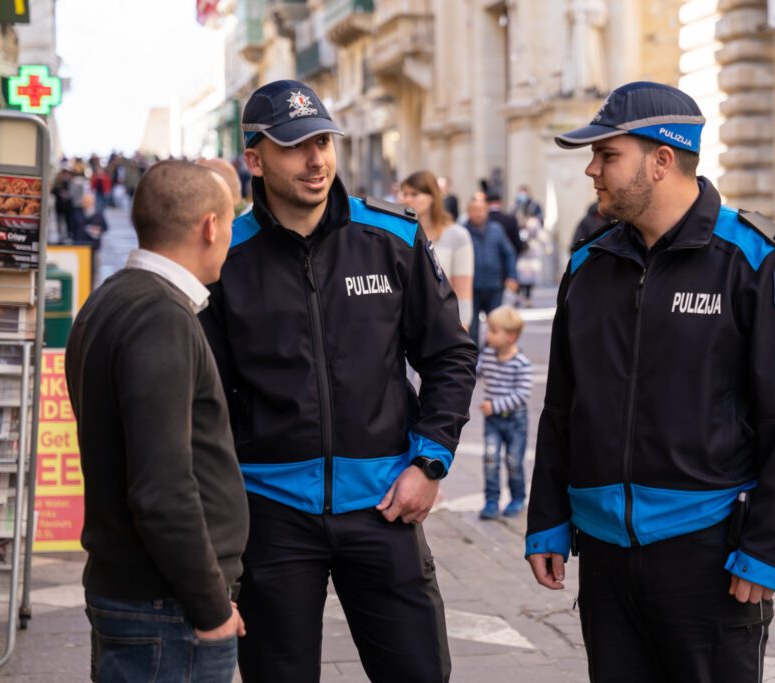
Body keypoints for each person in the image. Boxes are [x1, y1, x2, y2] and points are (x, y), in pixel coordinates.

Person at [525, 81, 775, 682]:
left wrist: (766, 552)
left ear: (661, 160)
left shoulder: (753, 258)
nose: (592, 170)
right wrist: (547, 518)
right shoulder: (589, 266)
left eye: (608, 155)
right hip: (605, 559)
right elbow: (563, 406)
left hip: (710, 556)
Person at [199, 80, 477, 682]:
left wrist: (430, 464)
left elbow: (451, 355)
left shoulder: (393, 240)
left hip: (385, 506)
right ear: (255, 159)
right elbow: (206, 401)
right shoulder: (225, 259)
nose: (316, 159)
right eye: (295, 146)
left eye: (324, 141)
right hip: (271, 514)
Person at [65, 160, 248, 683]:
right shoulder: (159, 316)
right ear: (210, 226)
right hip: (165, 607)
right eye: (232, 221)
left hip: (143, 596)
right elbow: (163, 489)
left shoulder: (110, 299)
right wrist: (211, 606)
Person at [477, 305, 532, 520]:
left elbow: (522, 394)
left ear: (510, 337)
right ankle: (491, 500)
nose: (487, 335)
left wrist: (495, 405)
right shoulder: (488, 355)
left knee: (513, 461)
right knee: (490, 458)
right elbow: (476, 371)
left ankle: (518, 497)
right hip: (493, 421)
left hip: (516, 421)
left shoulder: (521, 363)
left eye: (492, 331)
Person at [401, 170, 474, 328]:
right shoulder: (396, 235)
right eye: (404, 194)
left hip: (442, 327)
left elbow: (463, 294)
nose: (407, 199)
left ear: (432, 196)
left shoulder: (457, 235)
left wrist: (462, 333)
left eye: (414, 194)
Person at [464, 196, 519, 344]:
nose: (478, 213)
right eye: (474, 210)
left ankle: (492, 358)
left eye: (481, 210)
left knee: (496, 326)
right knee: (472, 328)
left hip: (494, 286)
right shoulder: (462, 232)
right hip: (471, 288)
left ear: (487, 211)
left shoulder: (496, 229)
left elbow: (509, 254)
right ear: (468, 212)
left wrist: (512, 276)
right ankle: (474, 361)